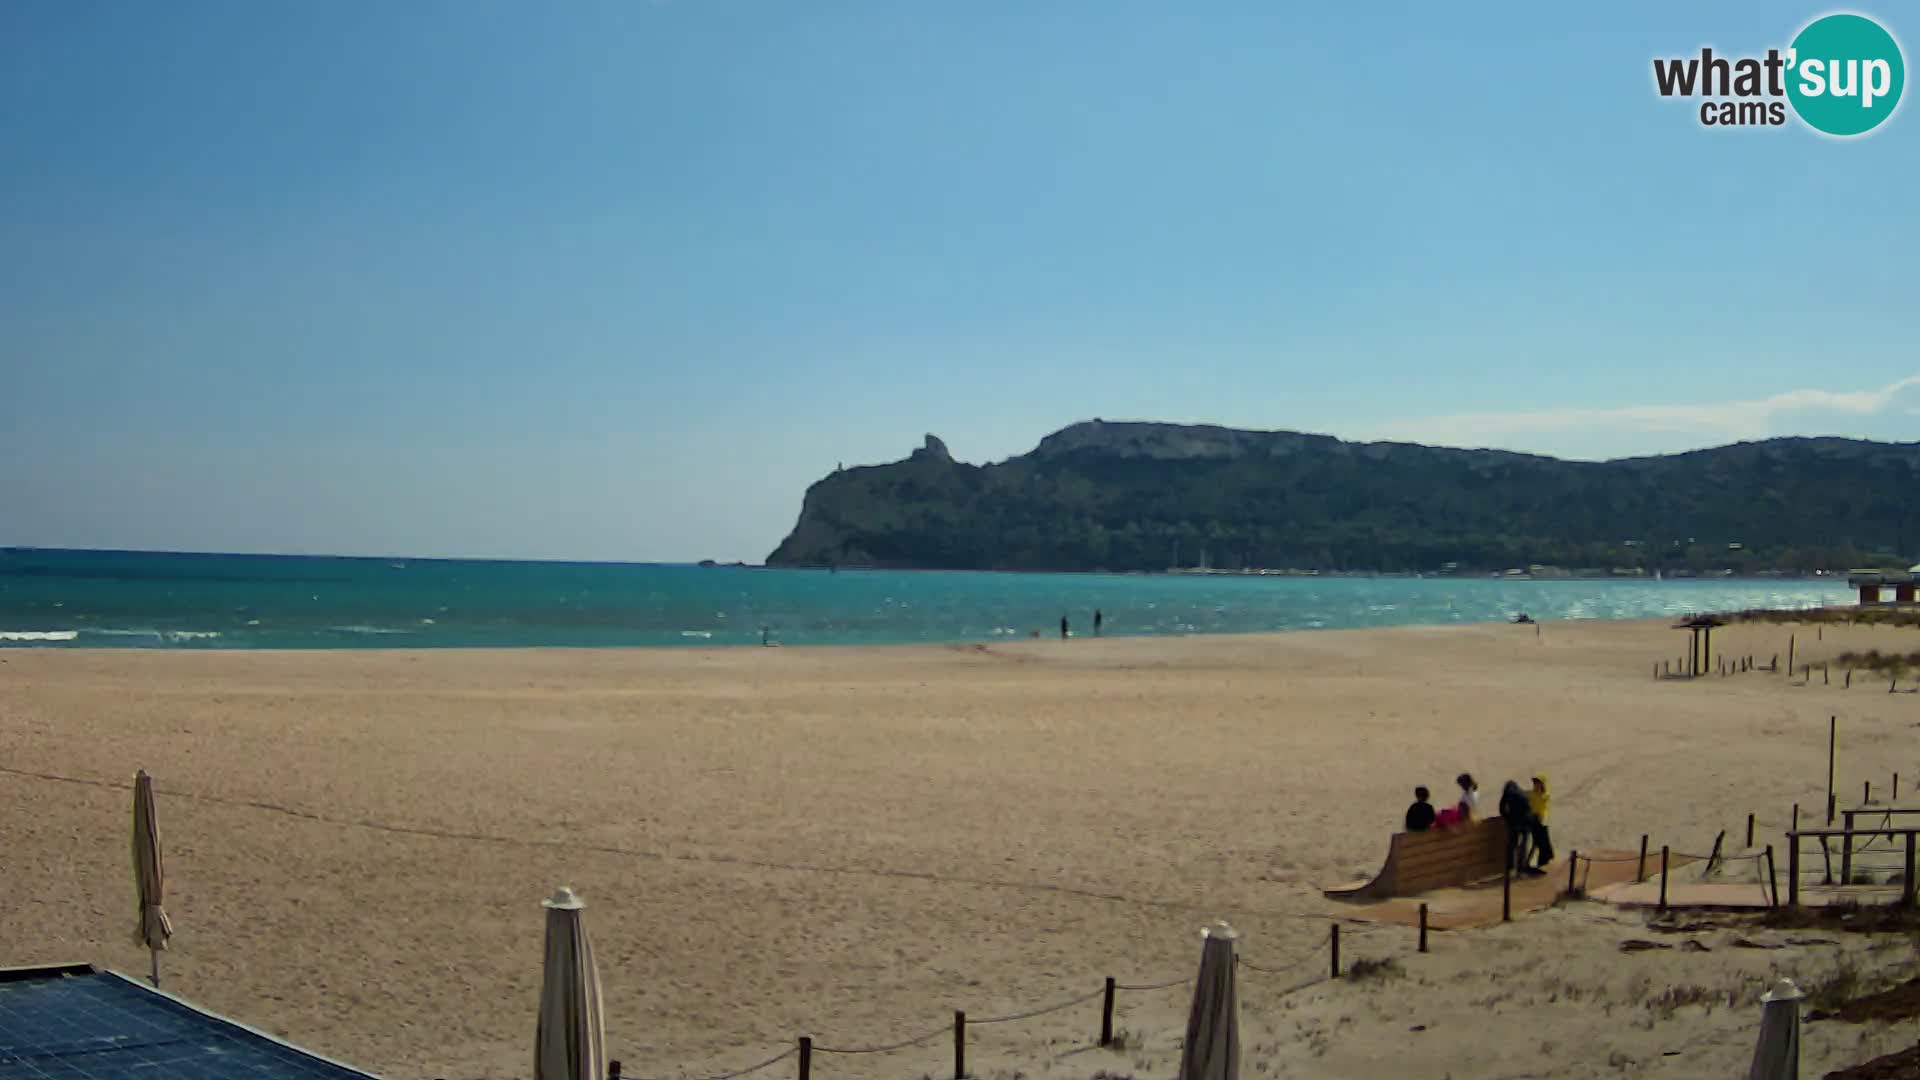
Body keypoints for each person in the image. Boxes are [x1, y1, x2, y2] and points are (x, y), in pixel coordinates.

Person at [1499, 780, 1544, 876]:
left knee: (1512, 845)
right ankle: (1520, 868)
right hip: (1524, 823)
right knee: (1523, 846)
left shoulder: (1507, 794)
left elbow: (1502, 809)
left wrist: (1508, 819)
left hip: (1515, 823)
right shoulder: (1522, 794)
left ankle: (1510, 867)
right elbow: (1528, 810)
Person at [1528, 774, 1555, 868]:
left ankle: (1539, 862)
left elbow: (1542, 806)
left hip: (1541, 821)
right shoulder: (1530, 794)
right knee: (1536, 842)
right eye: (1535, 783)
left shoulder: (1545, 795)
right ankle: (1530, 862)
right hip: (1533, 820)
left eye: (1537, 783)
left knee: (1539, 843)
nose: (1535, 785)